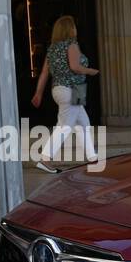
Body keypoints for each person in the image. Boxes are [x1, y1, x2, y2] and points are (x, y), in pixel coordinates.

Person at [31, 15, 100, 171]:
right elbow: (75, 67)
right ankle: (45, 158)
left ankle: (93, 158)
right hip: (71, 90)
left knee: (83, 123)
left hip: (59, 90)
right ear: (69, 29)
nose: (76, 29)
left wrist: (38, 93)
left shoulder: (52, 49)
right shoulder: (72, 45)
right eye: (74, 26)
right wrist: (91, 71)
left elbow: (44, 73)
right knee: (65, 126)